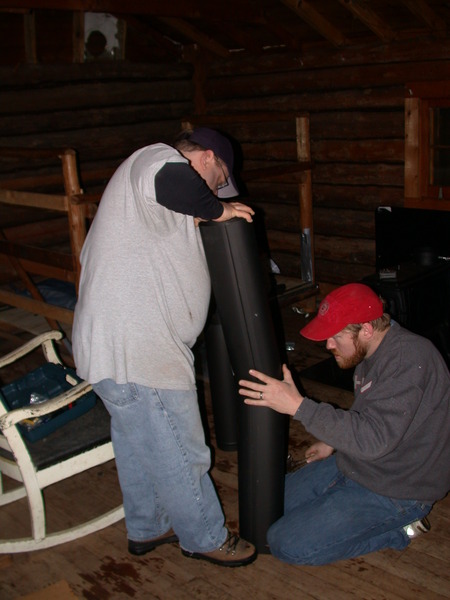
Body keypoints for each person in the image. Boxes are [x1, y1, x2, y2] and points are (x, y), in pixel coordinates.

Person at [72, 127, 257, 567]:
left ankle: (150, 526)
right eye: (218, 178)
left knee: (141, 446)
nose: (215, 190)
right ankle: (205, 537)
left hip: (120, 349)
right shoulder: (155, 159)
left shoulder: (150, 200)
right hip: (139, 349)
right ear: (207, 158)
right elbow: (176, 180)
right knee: (181, 449)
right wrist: (220, 209)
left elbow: (176, 207)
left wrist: (203, 215)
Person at [238, 283, 450, 565]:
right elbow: (370, 412)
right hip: (359, 463)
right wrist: (331, 442)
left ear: (366, 329)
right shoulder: (369, 351)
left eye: (336, 336)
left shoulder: (409, 361)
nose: (328, 345)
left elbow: (375, 438)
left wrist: (299, 407)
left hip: (399, 488)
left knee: (286, 544)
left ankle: (399, 531)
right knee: (269, 506)